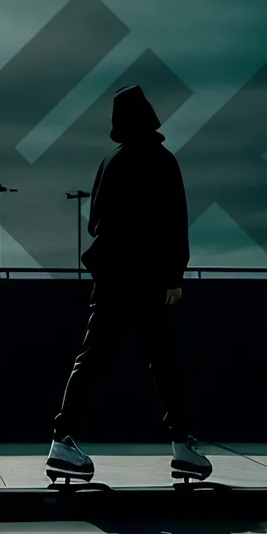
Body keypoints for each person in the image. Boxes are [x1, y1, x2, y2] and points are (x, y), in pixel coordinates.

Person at [46, 85, 212, 483]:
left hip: (113, 278)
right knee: (165, 363)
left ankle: (62, 441)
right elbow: (176, 222)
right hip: (151, 279)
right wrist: (175, 275)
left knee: (92, 359)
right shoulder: (164, 161)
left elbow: (95, 223)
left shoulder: (111, 161)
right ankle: (182, 447)